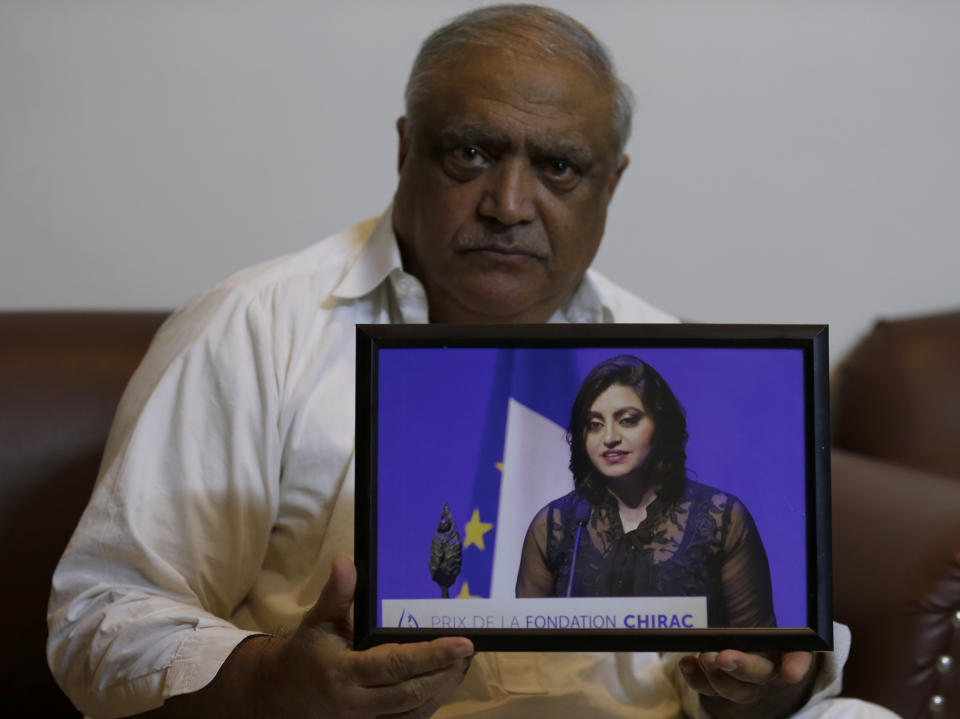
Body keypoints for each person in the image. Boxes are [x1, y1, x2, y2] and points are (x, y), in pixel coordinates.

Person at [46, 5, 897, 719]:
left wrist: (767, 684)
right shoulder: (252, 329)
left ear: (613, 184)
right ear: (405, 147)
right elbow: (100, 616)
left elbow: (777, 654)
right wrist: (273, 678)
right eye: (472, 152)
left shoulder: (663, 351)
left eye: (560, 167)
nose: (510, 204)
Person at [516, 355, 776, 630]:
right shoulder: (555, 525)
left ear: (660, 426)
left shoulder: (720, 519)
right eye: (594, 424)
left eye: (627, 420)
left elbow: (757, 649)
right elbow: (524, 653)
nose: (609, 437)